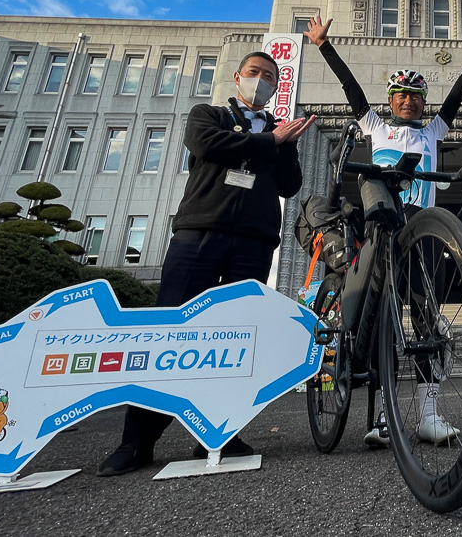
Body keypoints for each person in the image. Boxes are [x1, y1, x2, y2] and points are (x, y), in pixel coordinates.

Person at [97, 52, 317, 477]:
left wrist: (286, 145)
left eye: (269, 77)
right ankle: (137, 441)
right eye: (254, 73)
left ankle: (218, 433)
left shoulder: (278, 130)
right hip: (199, 234)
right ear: (238, 78)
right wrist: (269, 142)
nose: (261, 81)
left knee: (235, 339)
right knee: (168, 334)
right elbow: (206, 146)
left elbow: (290, 186)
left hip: (253, 242)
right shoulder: (209, 115)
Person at [302, 16, 462, 447]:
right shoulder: (375, 126)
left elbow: (455, 100)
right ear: (390, 101)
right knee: (384, 318)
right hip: (380, 228)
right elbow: (351, 90)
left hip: (420, 232)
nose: (409, 102)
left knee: (428, 322)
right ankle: (384, 418)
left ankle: (428, 414)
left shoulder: (433, 131)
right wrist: (323, 46)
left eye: (415, 96)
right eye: (401, 95)